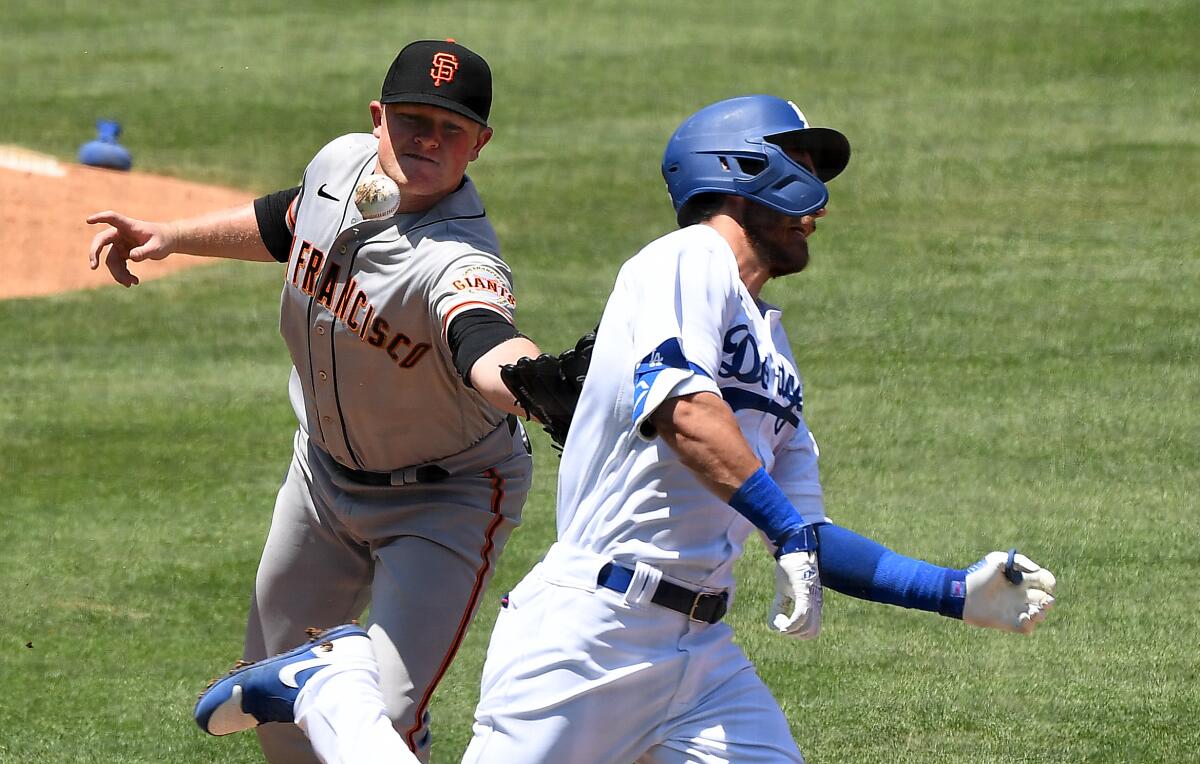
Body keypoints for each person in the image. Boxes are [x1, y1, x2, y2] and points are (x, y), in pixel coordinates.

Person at [193, 94, 1058, 764]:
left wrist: (949, 592)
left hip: (701, 655)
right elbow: (683, 409)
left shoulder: (775, 349)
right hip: (590, 632)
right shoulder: (681, 265)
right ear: (740, 169)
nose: (819, 204)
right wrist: (785, 528)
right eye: (801, 172)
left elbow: (810, 535)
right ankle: (332, 693)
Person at [88, 39, 547, 764]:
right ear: (377, 117)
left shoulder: (461, 258)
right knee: (277, 711)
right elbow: (286, 220)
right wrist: (173, 235)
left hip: (445, 501)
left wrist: (531, 380)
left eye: (450, 128)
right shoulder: (342, 164)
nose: (427, 139)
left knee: (381, 721)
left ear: (479, 144)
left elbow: (482, 339)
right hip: (321, 483)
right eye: (412, 119)